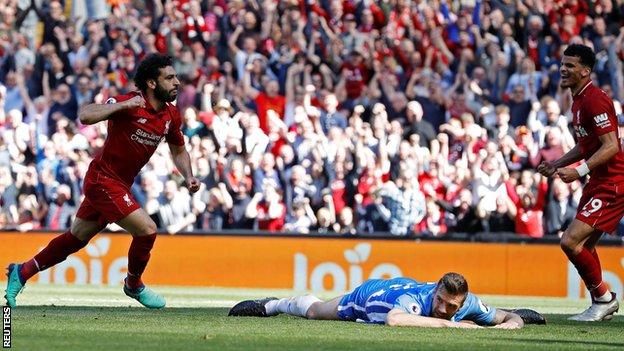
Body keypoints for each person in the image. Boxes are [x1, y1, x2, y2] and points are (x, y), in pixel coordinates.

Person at [4, 54, 201, 309]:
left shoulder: (171, 115)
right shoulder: (127, 103)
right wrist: (120, 107)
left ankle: (22, 272)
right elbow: (85, 116)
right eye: (170, 77)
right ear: (152, 83)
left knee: (76, 238)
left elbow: (178, 150)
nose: (177, 82)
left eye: (175, 77)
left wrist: (189, 175)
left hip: (120, 184)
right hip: (102, 180)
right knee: (147, 230)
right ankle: (133, 284)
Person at [538, 44, 621, 321]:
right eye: (563, 64)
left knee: (570, 241)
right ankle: (602, 301)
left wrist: (579, 171)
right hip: (600, 179)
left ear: (586, 72)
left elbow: (611, 146)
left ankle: (603, 299)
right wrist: (558, 163)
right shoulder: (578, 101)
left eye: (570, 66)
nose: (563, 69)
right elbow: (587, 145)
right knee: (583, 245)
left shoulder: (595, 100)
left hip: (613, 182)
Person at [228, 272, 526, 329]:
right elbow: (394, 319)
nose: (443, 309)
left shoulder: (470, 303)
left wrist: (514, 321)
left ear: (462, 304)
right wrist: (456, 326)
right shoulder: (416, 301)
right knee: (317, 312)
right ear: (435, 291)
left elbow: (506, 316)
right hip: (371, 297)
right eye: (441, 301)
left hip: (396, 288)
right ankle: (274, 304)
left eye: (452, 307)